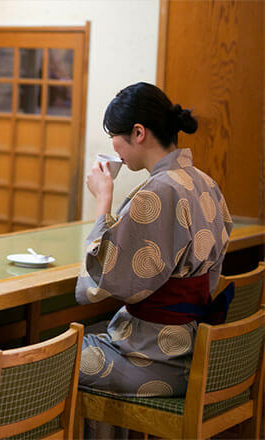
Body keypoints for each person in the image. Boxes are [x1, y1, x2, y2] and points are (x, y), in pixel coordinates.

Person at [76, 82, 232, 397]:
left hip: (156, 359)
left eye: (114, 137)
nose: (114, 147)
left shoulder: (160, 191)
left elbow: (100, 281)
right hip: (194, 348)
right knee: (88, 339)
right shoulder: (204, 182)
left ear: (138, 133)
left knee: (54, 360)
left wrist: (103, 198)